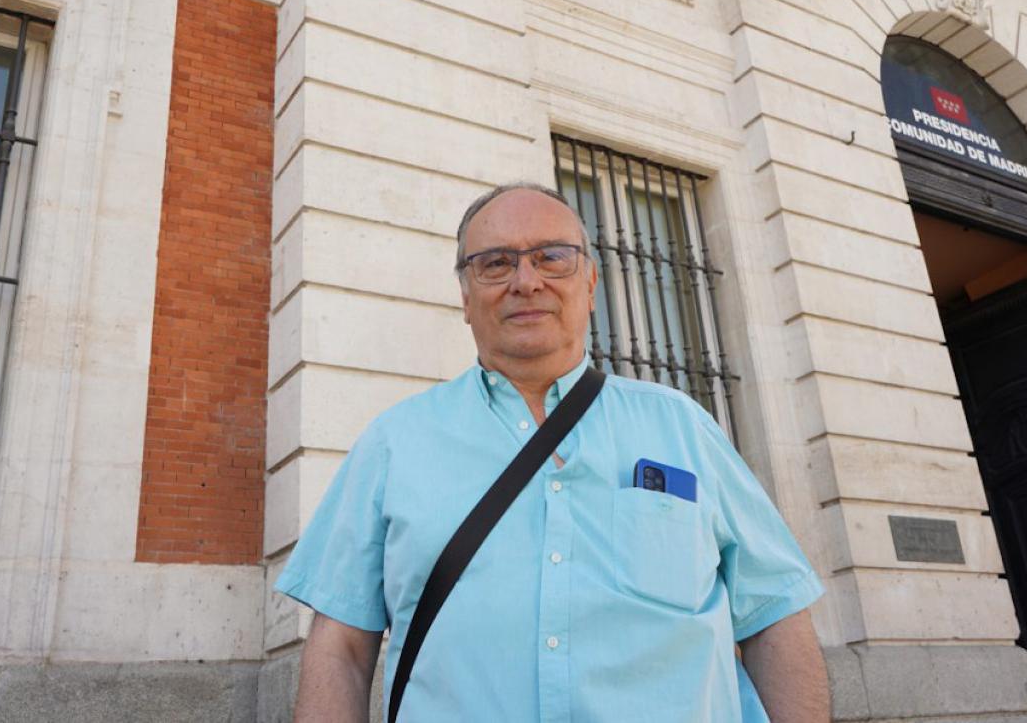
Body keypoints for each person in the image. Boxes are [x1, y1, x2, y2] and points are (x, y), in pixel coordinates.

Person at [275, 182, 830, 722]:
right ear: (465, 297)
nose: (526, 280)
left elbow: (773, 616)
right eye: (495, 263)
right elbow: (340, 650)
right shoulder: (393, 443)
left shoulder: (683, 426)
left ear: (590, 283)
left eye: (552, 257)